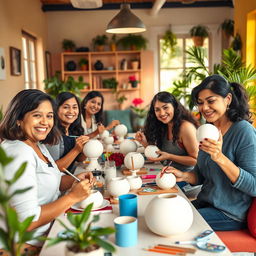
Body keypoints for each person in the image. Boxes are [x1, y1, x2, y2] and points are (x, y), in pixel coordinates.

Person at [161, 74, 256, 231]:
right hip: (206, 202)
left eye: (211, 101)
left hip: (229, 213)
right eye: (200, 103)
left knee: (172, 224)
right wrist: (183, 175)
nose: (204, 107)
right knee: (165, 213)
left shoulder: (243, 131)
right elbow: (201, 176)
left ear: (228, 99)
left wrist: (220, 157)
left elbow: (254, 186)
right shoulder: (207, 131)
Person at [0, 89, 93, 248]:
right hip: (25, 245)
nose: (45, 122)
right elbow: (26, 222)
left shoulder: (36, 144)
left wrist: (75, 180)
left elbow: (51, 181)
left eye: (49, 116)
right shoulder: (18, 152)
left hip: (50, 230)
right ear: (18, 119)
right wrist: (72, 197)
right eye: (37, 115)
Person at [135, 91, 199, 174]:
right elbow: (161, 155)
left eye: (165, 108)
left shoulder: (185, 127)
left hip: (186, 181)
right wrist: (144, 143)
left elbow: (196, 160)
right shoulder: (163, 125)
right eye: (157, 110)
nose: (161, 113)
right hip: (167, 174)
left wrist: (169, 156)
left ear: (174, 107)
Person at [46, 92, 89, 173]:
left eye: (75, 107)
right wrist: (76, 150)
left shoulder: (73, 130)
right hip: (58, 182)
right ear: (56, 109)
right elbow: (54, 168)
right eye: (66, 107)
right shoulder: (52, 133)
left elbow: (79, 159)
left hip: (71, 174)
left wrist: (84, 149)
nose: (71, 111)